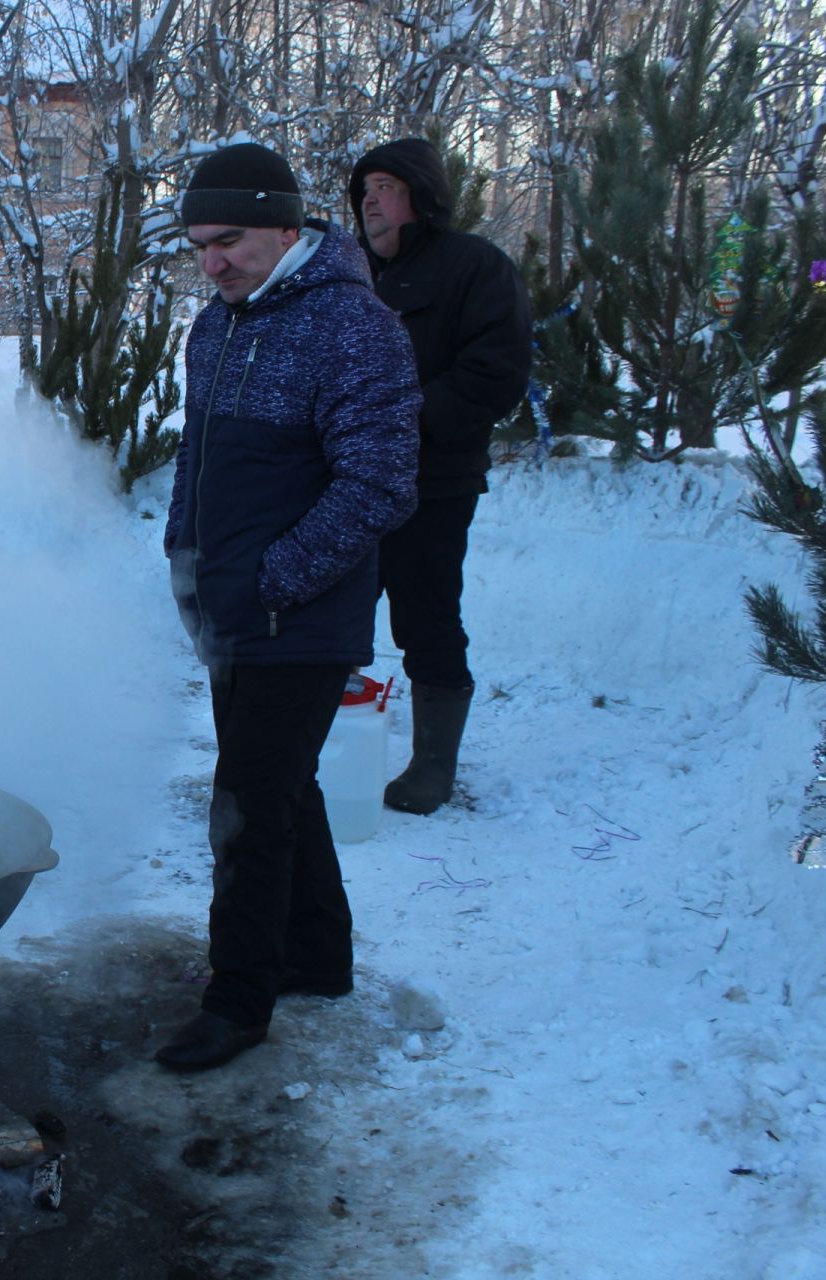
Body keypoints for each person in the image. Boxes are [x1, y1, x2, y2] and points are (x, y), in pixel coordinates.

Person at [157, 142, 420, 1072]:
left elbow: (382, 482)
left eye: (229, 240)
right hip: (234, 605)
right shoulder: (216, 326)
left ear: (284, 225)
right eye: (198, 245)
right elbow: (200, 454)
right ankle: (316, 955)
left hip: (297, 617)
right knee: (282, 787)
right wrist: (183, 553)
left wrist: (274, 580)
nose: (212, 262)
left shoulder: (353, 327)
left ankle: (238, 1002)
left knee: (247, 807)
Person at [348, 139, 532, 815]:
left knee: (425, 615)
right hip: (346, 481)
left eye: (386, 186)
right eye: (364, 188)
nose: (370, 199)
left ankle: (431, 766)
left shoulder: (475, 267)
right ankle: (320, 735)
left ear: (422, 195)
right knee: (330, 609)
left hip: (434, 480)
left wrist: (405, 420)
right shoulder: (350, 274)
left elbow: (497, 371)